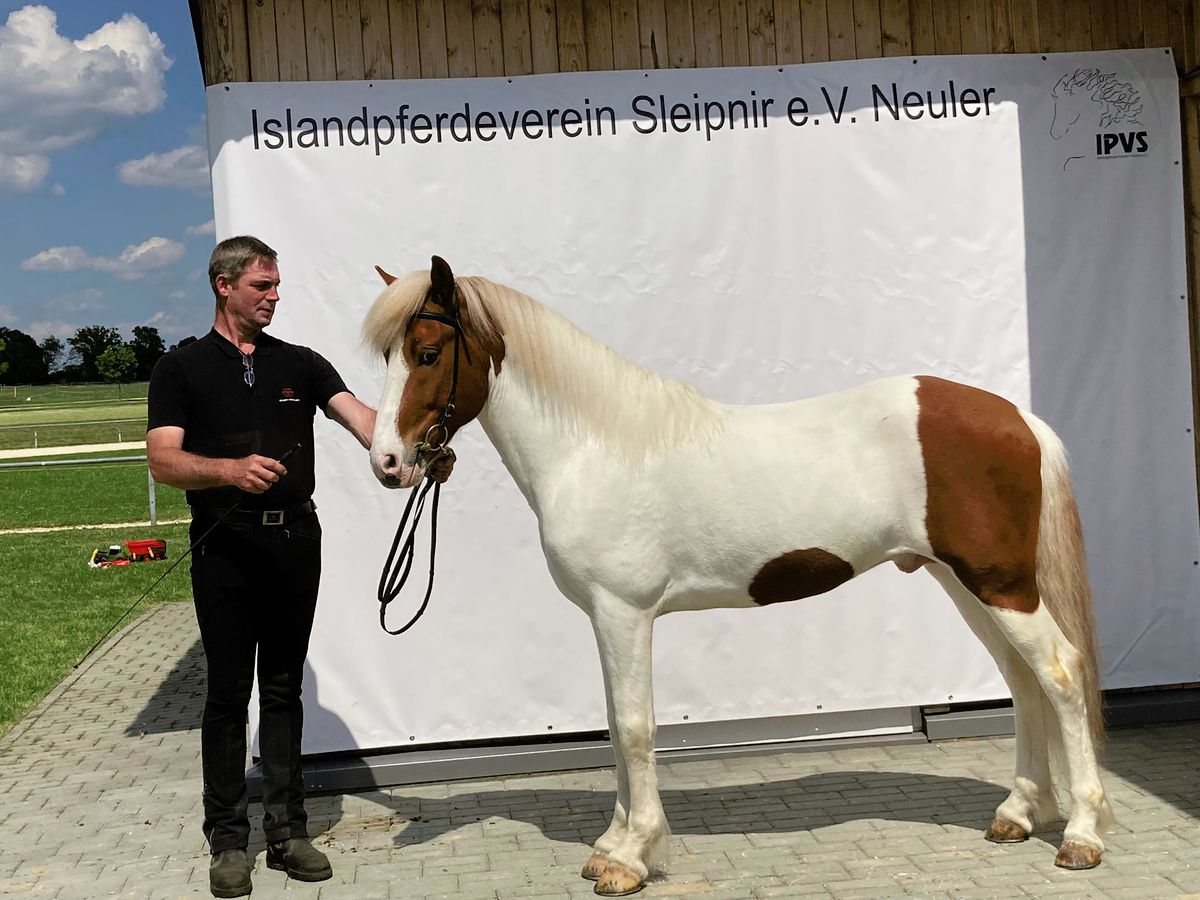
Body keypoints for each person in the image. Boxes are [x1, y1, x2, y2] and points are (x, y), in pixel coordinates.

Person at [146, 235, 376, 898]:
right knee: (226, 695)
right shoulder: (181, 368)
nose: (275, 296)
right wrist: (228, 470)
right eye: (261, 286)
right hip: (224, 546)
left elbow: (364, 421)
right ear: (224, 286)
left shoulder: (300, 363)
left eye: (276, 285)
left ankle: (288, 833)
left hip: (295, 541)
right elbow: (163, 460)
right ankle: (228, 840)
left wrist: (410, 445)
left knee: (282, 689)